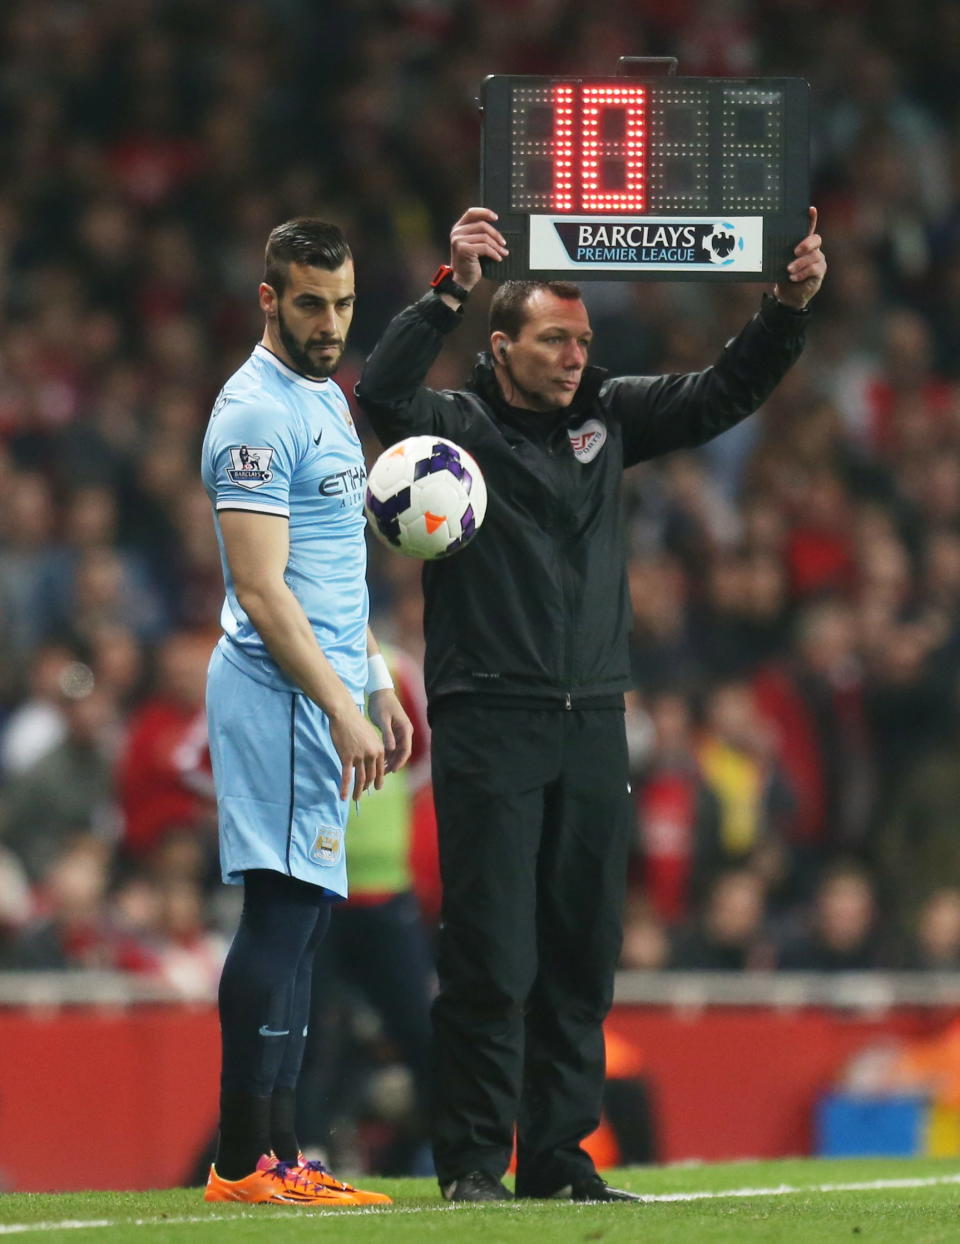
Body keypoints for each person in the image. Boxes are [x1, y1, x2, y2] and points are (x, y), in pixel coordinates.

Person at [355, 205, 825, 1203]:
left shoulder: (606, 415)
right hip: (489, 717)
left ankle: (561, 1158)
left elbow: (717, 394)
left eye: (584, 340)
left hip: (593, 717)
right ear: (502, 344)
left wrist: (782, 311)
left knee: (581, 950)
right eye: (555, 339)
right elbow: (382, 390)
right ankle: (475, 1163)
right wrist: (448, 287)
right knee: (492, 948)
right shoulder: (457, 427)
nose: (576, 356)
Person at [200, 217, 413, 1207]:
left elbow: (333, 568)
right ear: (269, 298)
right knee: (281, 915)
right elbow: (262, 587)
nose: (330, 323)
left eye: (343, 304)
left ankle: (280, 1155)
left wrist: (373, 677)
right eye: (311, 303)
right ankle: (245, 1159)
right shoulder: (253, 411)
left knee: (306, 921)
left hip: (322, 688)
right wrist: (338, 704)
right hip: (279, 690)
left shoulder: (325, 395)